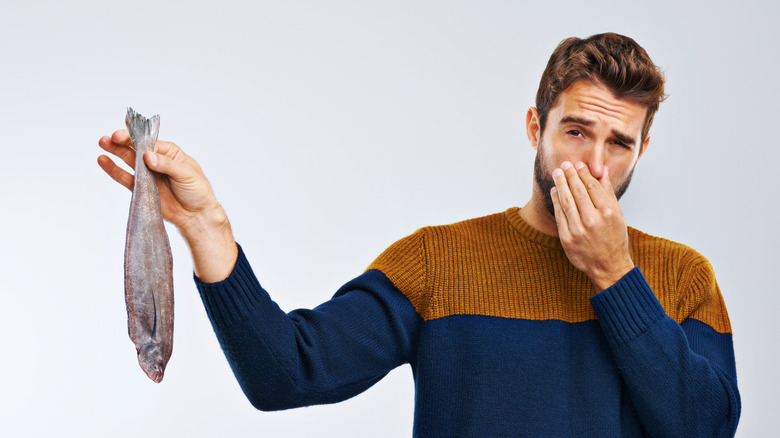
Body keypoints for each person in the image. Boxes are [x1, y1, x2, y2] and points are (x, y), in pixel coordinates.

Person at [98, 32, 740, 437]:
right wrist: (206, 226)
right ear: (533, 128)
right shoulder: (439, 261)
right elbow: (285, 375)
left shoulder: (683, 276)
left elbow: (706, 428)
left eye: (619, 143)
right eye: (575, 132)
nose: (596, 166)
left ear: (642, 148)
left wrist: (615, 276)